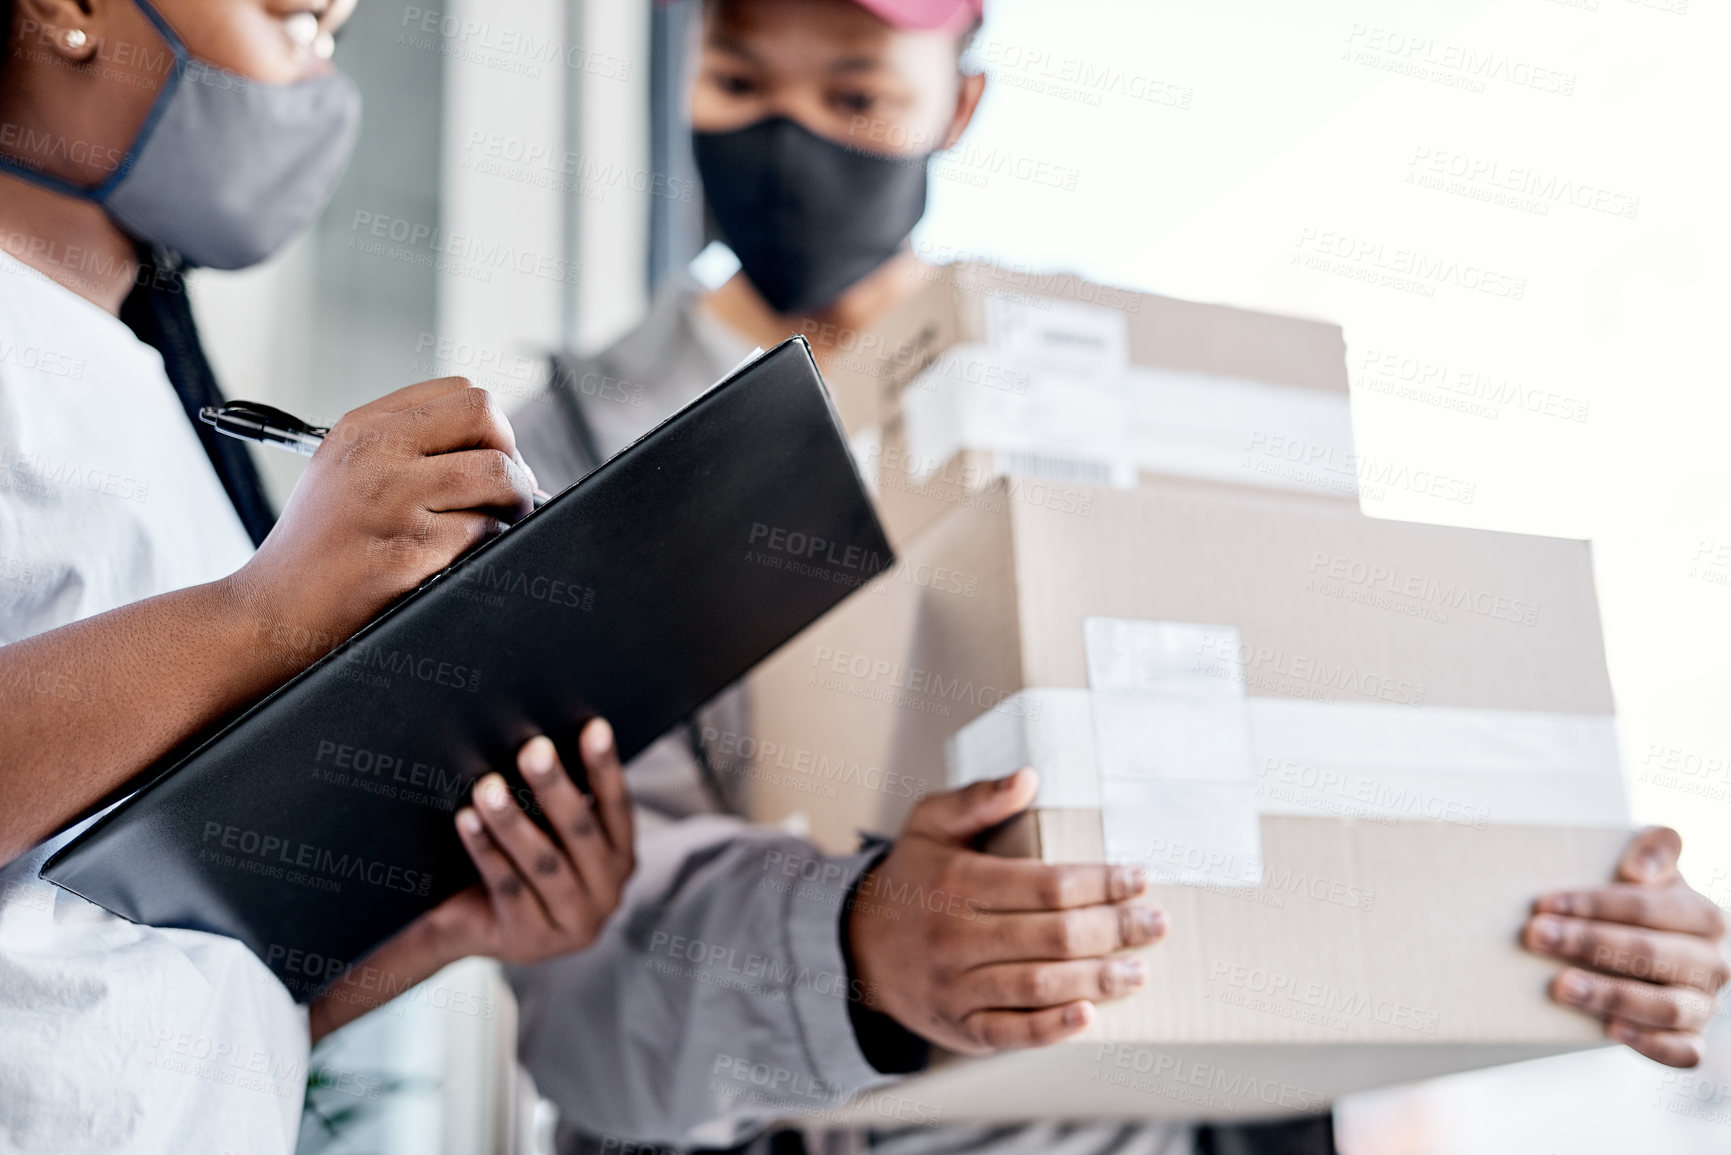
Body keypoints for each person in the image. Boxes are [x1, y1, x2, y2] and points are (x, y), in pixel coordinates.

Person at [508, 0, 1731, 1153]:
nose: (792, 135)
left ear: (960, 105)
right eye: (739, 80)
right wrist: (854, 949)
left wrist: (1553, 907)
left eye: (856, 92)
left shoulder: (1128, 379)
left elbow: (1295, 751)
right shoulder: (578, 441)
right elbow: (579, 976)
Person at [0, 1, 635, 1150]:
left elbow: (147, 975)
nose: (317, 70)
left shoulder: (151, 396)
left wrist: (454, 922)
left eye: (334, 30)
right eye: (291, 16)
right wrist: (263, 615)